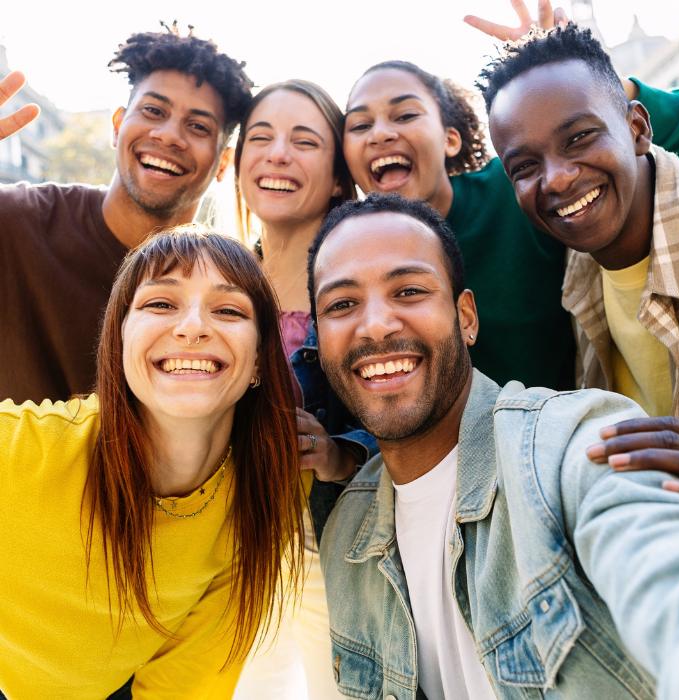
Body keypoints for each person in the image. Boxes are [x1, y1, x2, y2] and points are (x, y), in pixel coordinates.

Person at [308, 193, 679, 699]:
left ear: (466, 317)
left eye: (408, 291)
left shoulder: (565, 442)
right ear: (318, 340)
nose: (377, 323)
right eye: (342, 304)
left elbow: (668, 573)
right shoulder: (344, 538)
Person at [0, 227, 308, 698]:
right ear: (119, 340)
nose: (192, 327)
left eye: (228, 310)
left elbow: (187, 681)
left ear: (262, 361)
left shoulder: (269, 484)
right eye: (161, 304)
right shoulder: (20, 449)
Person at [341, 2, 679, 390]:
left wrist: (567, 74)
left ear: (450, 138)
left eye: (405, 115)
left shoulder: (516, 188)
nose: (380, 134)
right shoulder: (350, 254)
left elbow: (670, 136)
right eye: (360, 124)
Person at [0, 28, 252, 403]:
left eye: (198, 126)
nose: (169, 136)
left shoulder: (233, 289)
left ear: (223, 163)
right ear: (118, 125)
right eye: (153, 111)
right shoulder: (16, 223)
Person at [480, 23, 679, 425]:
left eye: (579, 137)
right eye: (525, 166)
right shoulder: (575, 274)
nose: (558, 179)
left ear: (638, 128)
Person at [231, 80, 373, 700]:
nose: (276, 154)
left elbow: (419, 408)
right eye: (259, 138)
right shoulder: (213, 282)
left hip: (329, 553)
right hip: (223, 556)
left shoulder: (359, 288)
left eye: (304, 141)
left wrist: (342, 453)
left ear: (339, 177)